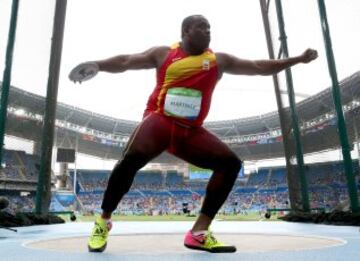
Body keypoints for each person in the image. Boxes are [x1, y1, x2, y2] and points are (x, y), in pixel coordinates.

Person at [70, 15, 318, 253]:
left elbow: (258, 66)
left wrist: (296, 59)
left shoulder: (219, 60)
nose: (208, 31)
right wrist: (98, 65)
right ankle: (103, 222)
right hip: (160, 120)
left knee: (230, 164)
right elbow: (126, 61)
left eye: (210, 27)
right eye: (201, 27)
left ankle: (199, 233)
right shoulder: (164, 54)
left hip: (189, 131)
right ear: (186, 31)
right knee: (130, 161)